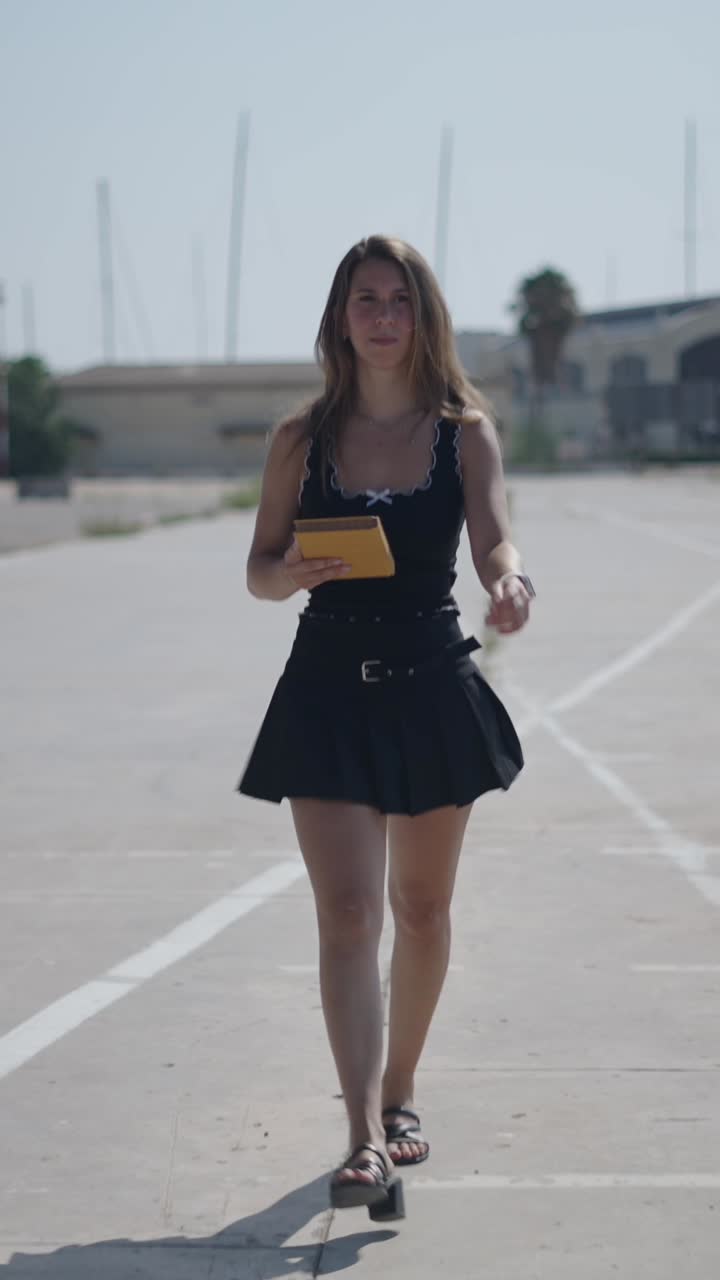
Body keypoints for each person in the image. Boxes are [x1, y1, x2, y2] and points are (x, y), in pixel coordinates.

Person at [238, 235, 534, 1221]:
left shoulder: (464, 430)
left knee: (420, 909)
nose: (381, 314)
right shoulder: (298, 437)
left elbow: (493, 534)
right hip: (324, 687)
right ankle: (364, 1137)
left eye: (398, 298)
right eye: (363, 298)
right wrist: (293, 575)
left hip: (429, 683)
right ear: (339, 316)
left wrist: (509, 582)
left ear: (423, 316)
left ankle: (400, 1084)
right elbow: (260, 567)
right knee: (349, 914)